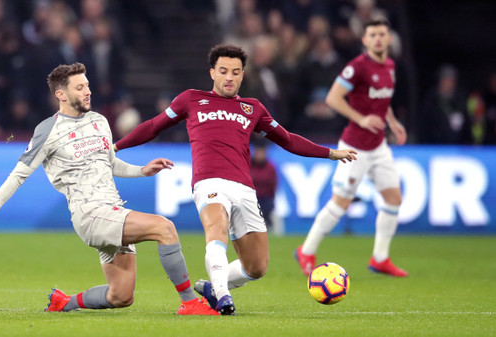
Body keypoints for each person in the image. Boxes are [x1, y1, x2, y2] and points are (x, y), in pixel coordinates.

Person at [114, 44, 357, 315]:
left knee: (257, 266)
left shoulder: (252, 108)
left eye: (236, 72)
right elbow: (153, 126)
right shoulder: (190, 100)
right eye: (223, 71)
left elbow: (287, 140)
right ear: (212, 73)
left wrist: (331, 153)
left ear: (243, 76)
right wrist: (117, 146)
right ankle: (223, 297)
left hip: (244, 187)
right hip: (209, 182)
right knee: (216, 230)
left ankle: (213, 286)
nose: (229, 77)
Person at [0, 62, 218, 316]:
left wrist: (142, 170)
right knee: (165, 228)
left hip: (113, 209)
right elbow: (18, 176)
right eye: (79, 87)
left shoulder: (99, 121)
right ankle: (190, 303)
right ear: (61, 95)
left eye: (87, 85)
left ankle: (63, 302)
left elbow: (108, 163)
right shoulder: (47, 130)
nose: (88, 91)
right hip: (90, 214)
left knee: (120, 296)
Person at [295, 19, 408, 278]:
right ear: (365, 40)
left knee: (393, 199)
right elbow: (332, 98)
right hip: (355, 147)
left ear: (389, 39)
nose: (378, 39)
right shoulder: (356, 68)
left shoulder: (389, 66)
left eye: (382, 34)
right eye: (373, 35)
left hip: (379, 146)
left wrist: (392, 121)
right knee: (341, 203)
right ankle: (307, 250)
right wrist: (362, 119)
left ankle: (380, 258)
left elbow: (382, 99)